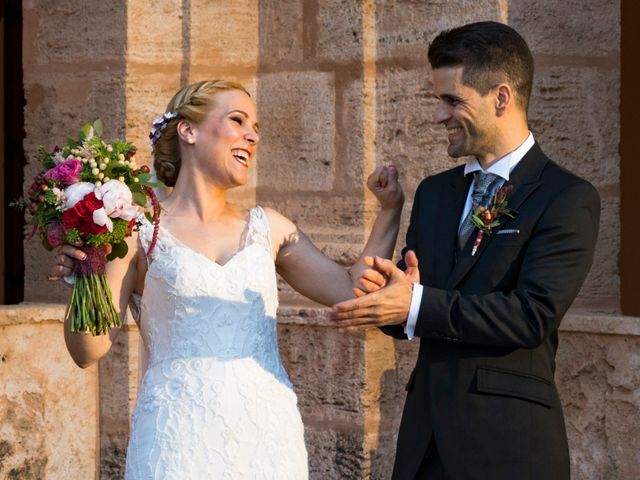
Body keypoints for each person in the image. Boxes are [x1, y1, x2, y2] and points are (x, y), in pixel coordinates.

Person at [49, 80, 404, 479]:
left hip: (267, 437)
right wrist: (91, 266)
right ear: (188, 130)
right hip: (175, 438)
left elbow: (351, 288)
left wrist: (390, 210)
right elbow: (88, 351)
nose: (251, 136)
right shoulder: (136, 231)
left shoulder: (268, 228)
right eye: (237, 120)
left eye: (255, 128)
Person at [329, 21, 600, 479]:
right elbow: (413, 311)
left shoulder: (566, 197)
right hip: (424, 444)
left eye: (453, 100)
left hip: (509, 448)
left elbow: (532, 315)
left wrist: (415, 303)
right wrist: (391, 298)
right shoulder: (435, 193)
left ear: (501, 97)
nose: (441, 115)